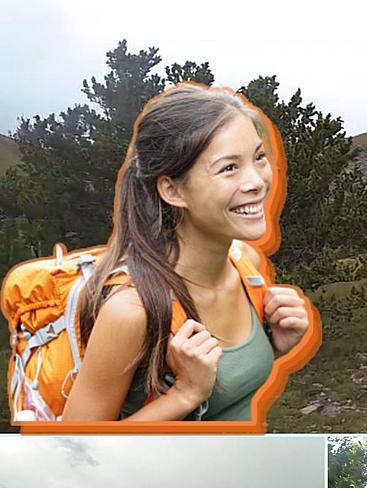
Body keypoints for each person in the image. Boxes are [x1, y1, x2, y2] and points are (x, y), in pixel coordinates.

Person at [61, 84, 310, 421]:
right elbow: (74, 446)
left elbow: (230, 391)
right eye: (228, 168)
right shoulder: (132, 312)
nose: (257, 181)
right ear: (172, 190)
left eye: (259, 157)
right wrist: (185, 394)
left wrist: (272, 345)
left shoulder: (244, 264)